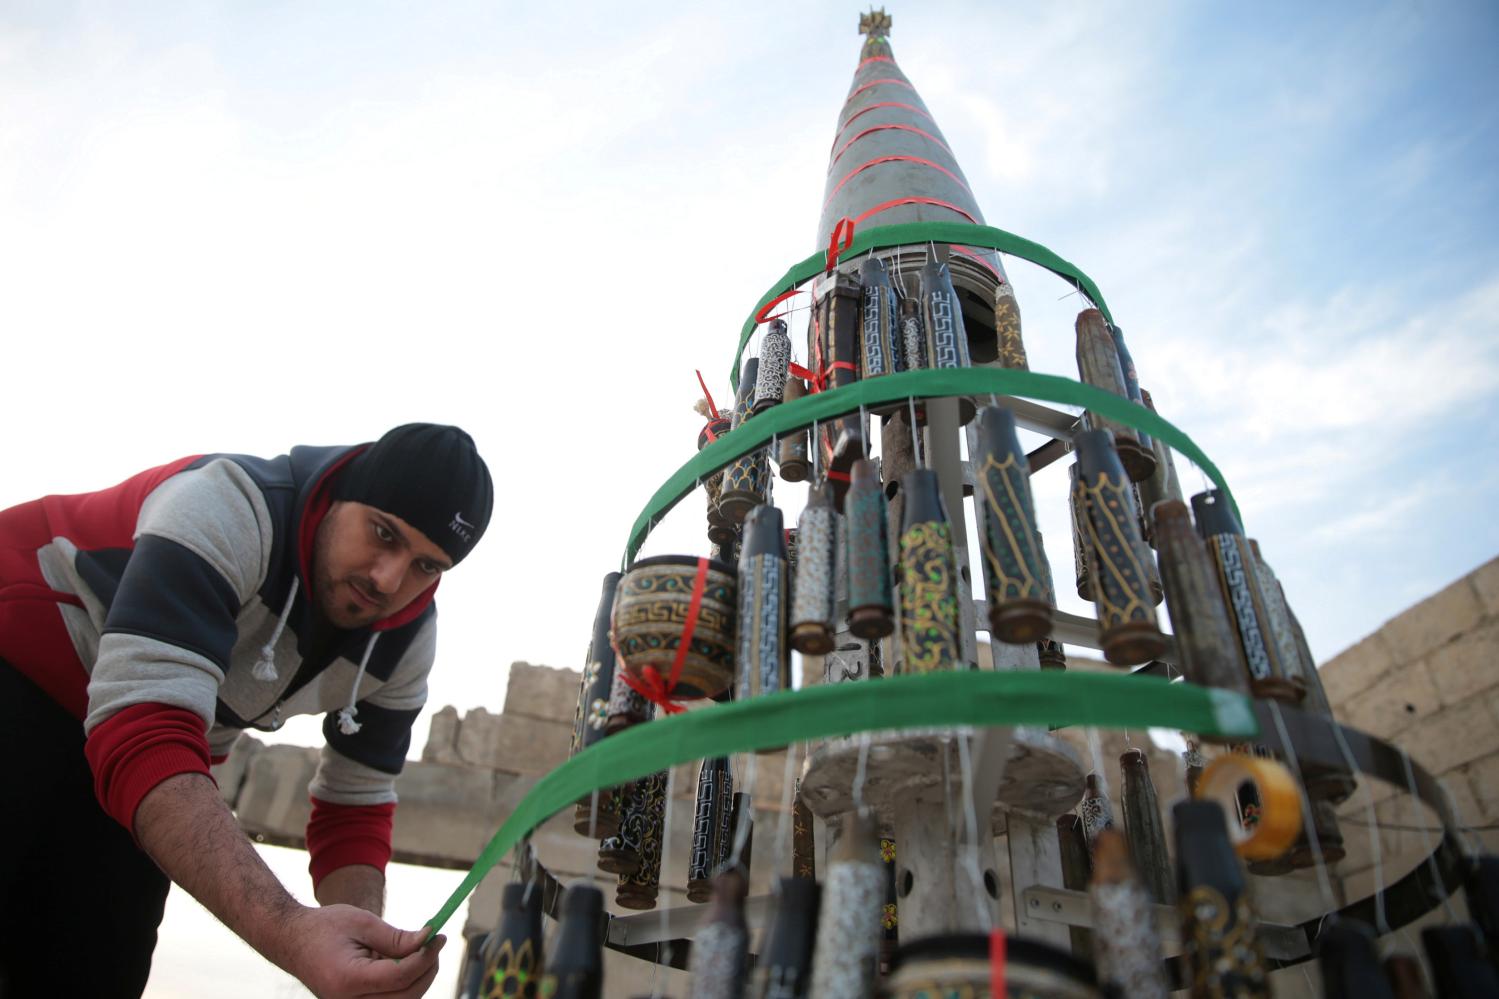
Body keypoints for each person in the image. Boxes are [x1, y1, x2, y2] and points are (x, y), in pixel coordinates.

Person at [0, 423, 493, 998]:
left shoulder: (406, 642)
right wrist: (293, 933)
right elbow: (145, 730)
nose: (389, 579)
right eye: (383, 533)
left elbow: (353, 807)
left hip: (140, 765)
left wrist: (365, 952)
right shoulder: (228, 504)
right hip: (22, 672)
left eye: (427, 566)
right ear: (341, 496)